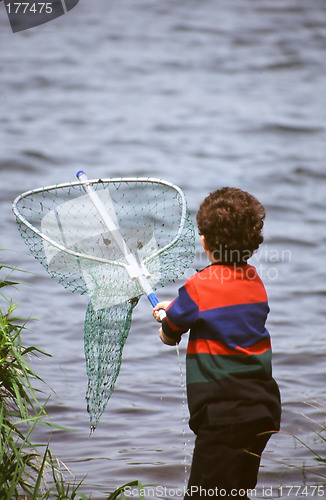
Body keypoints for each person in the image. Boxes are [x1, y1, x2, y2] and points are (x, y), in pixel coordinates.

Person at [153, 187, 281, 499]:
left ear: (205, 242)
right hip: (261, 410)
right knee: (233, 491)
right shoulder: (255, 282)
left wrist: (165, 320)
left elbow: (171, 333)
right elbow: (219, 310)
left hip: (223, 416)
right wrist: (179, 306)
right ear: (252, 243)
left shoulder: (197, 287)